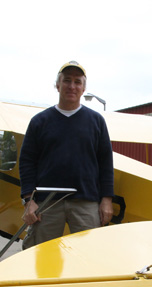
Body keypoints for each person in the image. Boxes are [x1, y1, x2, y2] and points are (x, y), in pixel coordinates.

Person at [18, 61, 114, 249]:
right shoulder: (39, 121)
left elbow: (105, 162)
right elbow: (27, 162)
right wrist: (29, 201)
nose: (72, 86)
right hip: (47, 202)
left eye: (77, 82)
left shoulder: (96, 121)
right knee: (40, 255)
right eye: (67, 80)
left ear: (84, 88)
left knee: (89, 254)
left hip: (86, 201)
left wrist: (107, 199)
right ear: (57, 85)